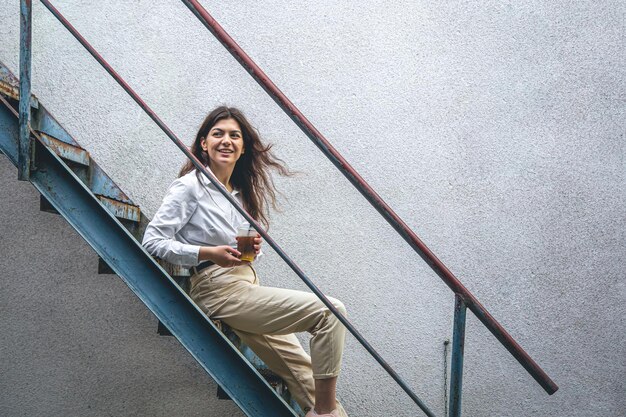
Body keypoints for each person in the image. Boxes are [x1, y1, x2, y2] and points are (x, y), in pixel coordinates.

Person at [142, 106, 348, 417]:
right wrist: (208, 253)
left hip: (246, 285)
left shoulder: (238, 194)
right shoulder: (190, 186)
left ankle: (324, 410)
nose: (226, 140)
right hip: (217, 290)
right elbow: (152, 241)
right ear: (203, 144)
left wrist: (251, 249)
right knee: (330, 312)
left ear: (242, 147)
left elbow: (239, 253)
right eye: (218, 134)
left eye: (234, 135)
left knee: (304, 374)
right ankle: (323, 412)